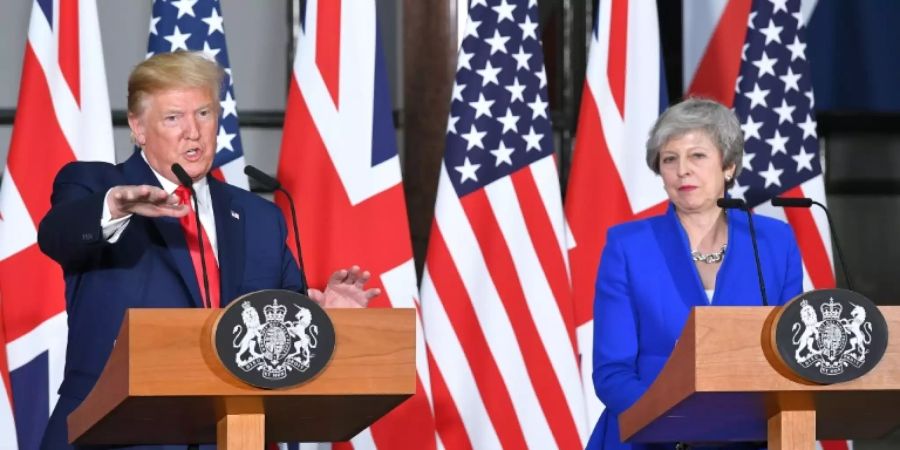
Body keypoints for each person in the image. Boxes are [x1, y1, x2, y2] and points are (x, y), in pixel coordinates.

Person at [37, 51, 379, 449]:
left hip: (235, 434)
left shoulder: (258, 216)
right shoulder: (95, 185)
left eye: (203, 113)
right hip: (114, 435)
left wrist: (324, 318)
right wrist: (114, 206)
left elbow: (279, 326)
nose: (193, 131)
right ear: (138, 128)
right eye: (173, 118)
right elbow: (56, 235)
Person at [585, 98, 803, 450]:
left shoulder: (774, 243)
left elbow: (793, 355)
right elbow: (613, 372)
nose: (682, 170)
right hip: (648, 437)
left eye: (697, 156)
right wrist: (678, 423)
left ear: (729, 165)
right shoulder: (629, 247)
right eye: (670, 159)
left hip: (748, 440)